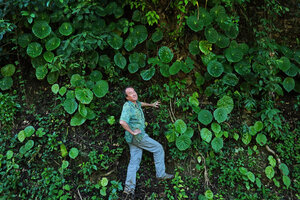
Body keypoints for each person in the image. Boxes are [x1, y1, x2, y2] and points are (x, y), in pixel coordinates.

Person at [119, 87, 174, 196]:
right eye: (130, 93)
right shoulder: (127, 106)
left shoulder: (135, 103)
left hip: (131, 140)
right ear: (127, 97)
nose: (134, 94)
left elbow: (141, 103)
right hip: (137, 137)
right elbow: (122, 122)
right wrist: (132, 132)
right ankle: (161, 174)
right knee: (158, 148)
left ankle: (128, 189)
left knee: (134, 162)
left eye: (134, 91)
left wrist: (151, 105)